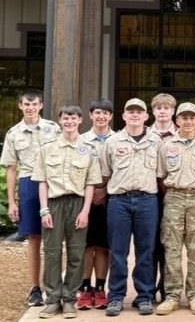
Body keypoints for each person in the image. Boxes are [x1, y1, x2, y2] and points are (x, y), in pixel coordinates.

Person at [31, 105, 102, 319]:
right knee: (52, 252)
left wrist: (85, 211)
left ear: (81, 120)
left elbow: (91, 183)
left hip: (77, 204)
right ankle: (52, 300)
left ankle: (70, 299)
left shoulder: (89, 149)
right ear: (60, 121)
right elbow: (42, 181)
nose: (69, 122)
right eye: (65, 118)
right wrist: (44, 210)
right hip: (53, 203)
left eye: (73, 118)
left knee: (76, 253)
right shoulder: (47, 148)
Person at [155, 102, 195, 316]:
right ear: (177, 120)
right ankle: (172, 295)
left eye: (192, 117)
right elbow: (161, 176)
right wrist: (174, 193)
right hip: (173, 198)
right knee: (171, 248)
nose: (188, 121)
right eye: (184, 117)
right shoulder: (166, 145)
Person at [99, 98, 161, 317]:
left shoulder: (157, 141)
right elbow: (105, 173)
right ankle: (115, 297)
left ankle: (144, 296)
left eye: (139, 112)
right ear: (123, 116)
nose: (135, 115)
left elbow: (161, 172)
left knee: (146, 251)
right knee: (118, 251)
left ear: (146, 116)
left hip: (147, 201)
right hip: (119, 201)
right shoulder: (112, 141)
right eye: (130, 112)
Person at [0, 90, 60, 308]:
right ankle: (35, 288)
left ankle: (56, 286)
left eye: (34, 104)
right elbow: (11, 169)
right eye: (26, 104)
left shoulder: (54, 128)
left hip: (54, 185)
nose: (30, 108)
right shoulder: (14, 133)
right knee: (34, 238)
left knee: (56, 238)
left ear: (41, 105)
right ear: (20, 106)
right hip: (29, 184)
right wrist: (12, 201)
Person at [76, 99, 115, 310]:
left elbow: (121, 169)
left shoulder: (118, 139)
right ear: (90, 115)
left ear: (111, 116)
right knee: (85, 245)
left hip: (110, 197)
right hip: (84, 198)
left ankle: (100, 288)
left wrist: (104, 190)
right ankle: (85, 289)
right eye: (97, 112)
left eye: (106, 113)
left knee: (102, 245)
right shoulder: (81, 140)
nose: (101, 116)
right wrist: (89, 193)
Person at [149, 93, 178, 302]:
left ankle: (167, 288)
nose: (162, 111)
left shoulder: (181, 135)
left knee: (171, 244)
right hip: (150, 196)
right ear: (153, 111)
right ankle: (148, 288)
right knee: (150, 244)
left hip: (174, 197)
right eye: (158, 107)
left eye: (167, 108)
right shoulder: (144, 134)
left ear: (173, 111)